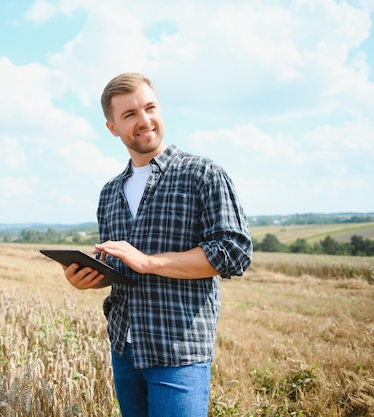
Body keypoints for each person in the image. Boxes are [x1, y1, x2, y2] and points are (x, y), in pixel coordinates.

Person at [60, 73, 253, 417]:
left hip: (178, 352)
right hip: (124, 350)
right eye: (130, 114)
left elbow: (234, 252)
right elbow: (123, 269)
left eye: (150, 107)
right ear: (112, 128)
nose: (144, 120)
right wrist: (88, 278)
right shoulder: (109, 193)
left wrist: (149, 261)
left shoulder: (202, 174)